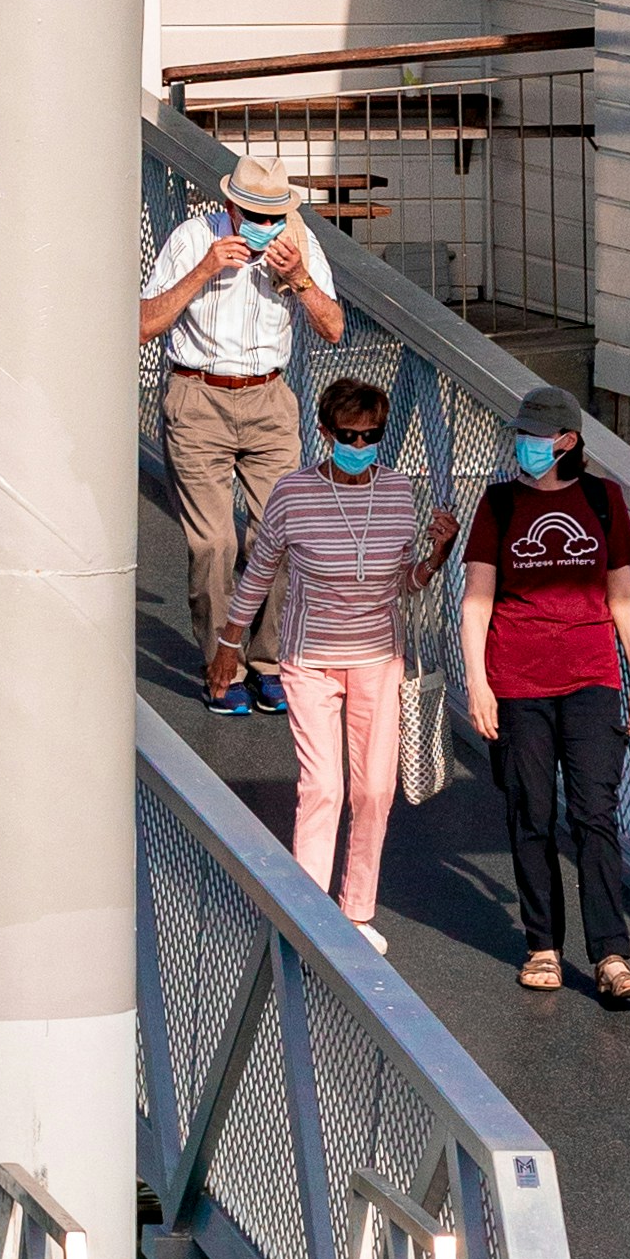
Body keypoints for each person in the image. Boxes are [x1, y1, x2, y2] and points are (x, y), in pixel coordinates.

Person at [210, 374, 449, 931]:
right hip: (310, 658)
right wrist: (229, 644)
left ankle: (357, 913)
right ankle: (311, 915)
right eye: (350, 434)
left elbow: (403, 584)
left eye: (373, 435)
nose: (361, 446)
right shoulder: (292, 493)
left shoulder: (399, 491)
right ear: (324, 431)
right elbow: (259, 572)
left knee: (375, 789)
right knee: (322, 787)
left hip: (378, 657)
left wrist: (436, 559)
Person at [457, 387, 630, 1005]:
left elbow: (622, 594)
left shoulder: (603, 499)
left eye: (534, 437)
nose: (523, 447)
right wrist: (478, 684)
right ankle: (542, 944)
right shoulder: (498, 503)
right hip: (516, 681)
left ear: (566, 441)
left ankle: (611, 956)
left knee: (595, 814)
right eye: (520, 437)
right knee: (531, 813)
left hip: (593, 676)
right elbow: (476, 601)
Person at [142, 152, 340, 696]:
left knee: (277, 536)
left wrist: (298, 278)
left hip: (269, 399)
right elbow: (141, 325)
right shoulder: (190, 238)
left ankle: (268, 661)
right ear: (230, 205)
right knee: (214, 545)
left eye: (275, 214)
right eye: (254, 214)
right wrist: (206, 270)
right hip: (198, 396)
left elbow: (333, 327)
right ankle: (220, 664)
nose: (265, 226)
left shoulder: (297, 242)